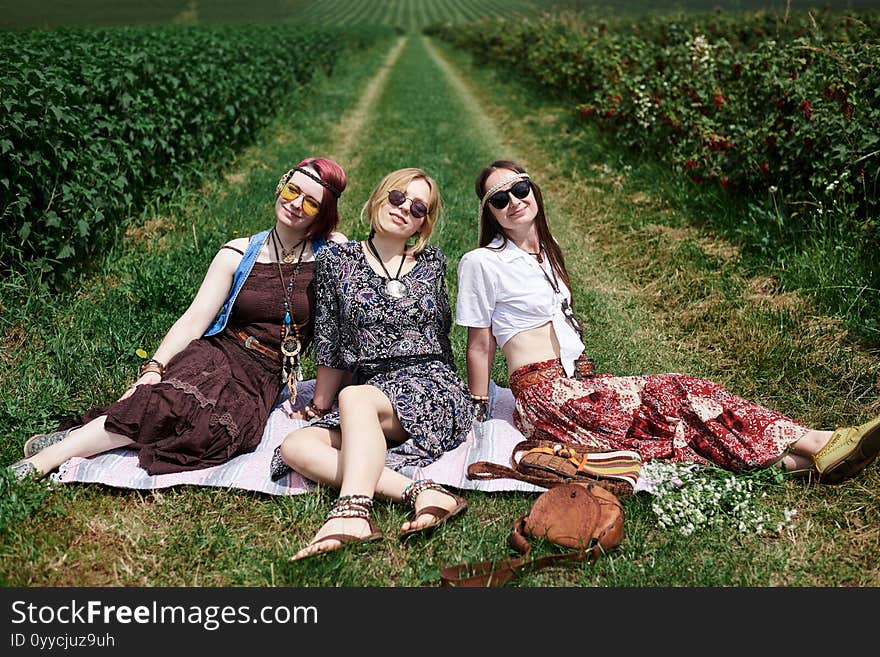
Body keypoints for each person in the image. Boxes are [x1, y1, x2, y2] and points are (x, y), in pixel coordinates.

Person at [455, 159, 880, 484]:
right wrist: (479, 418)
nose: (514, 202)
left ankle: (797, 463)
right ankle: (820, 441)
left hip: (579, 381)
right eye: (499, 199)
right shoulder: (482, 262)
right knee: (677, 389)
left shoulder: (549, 250)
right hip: (545, 394)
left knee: (668, 423)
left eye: (520, 189)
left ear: (534, 189)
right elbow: (480, 346)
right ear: (490, 212)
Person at [8, 157, 348, 481]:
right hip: (220, 354)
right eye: (292, 191)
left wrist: (320, 400)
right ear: (280, 187)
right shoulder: (237, 254)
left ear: (323, 213)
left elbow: (337, 327)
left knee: (215, 434)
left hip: (264, 377)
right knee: (174, 401)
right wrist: (154, 368)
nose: (295, 204)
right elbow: (194, 319)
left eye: (310, 202)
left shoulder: (331, 254)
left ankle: (83, 435)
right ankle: (40, 463)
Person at [273, 167, 473, 561]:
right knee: (297, 446)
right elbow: (331, 338)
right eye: (397, 197)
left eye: (417, 208)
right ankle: (423, 492)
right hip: (372, 393)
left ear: (423, 224)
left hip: (430, 382)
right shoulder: (337, 261)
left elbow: (441, 336)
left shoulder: (431, 262)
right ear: (379, 197)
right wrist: (320, 403)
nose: (403, 210)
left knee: (356, 398)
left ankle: (352, 514)